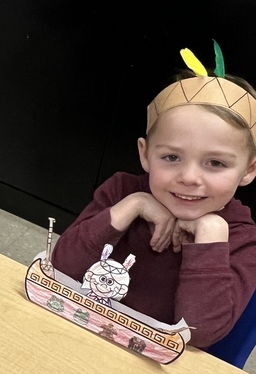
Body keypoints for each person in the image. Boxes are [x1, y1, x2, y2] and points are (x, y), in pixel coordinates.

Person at [51, 49, 256, 347]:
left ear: (249, 170)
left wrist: (212, 235)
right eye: (172, 157)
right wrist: (133, 205)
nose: (189, 177)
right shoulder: (121, 191)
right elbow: (62, 267)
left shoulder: (241, 235)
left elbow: (199, 334)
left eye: (216, 163)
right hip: (76, 335)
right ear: (145, 154)